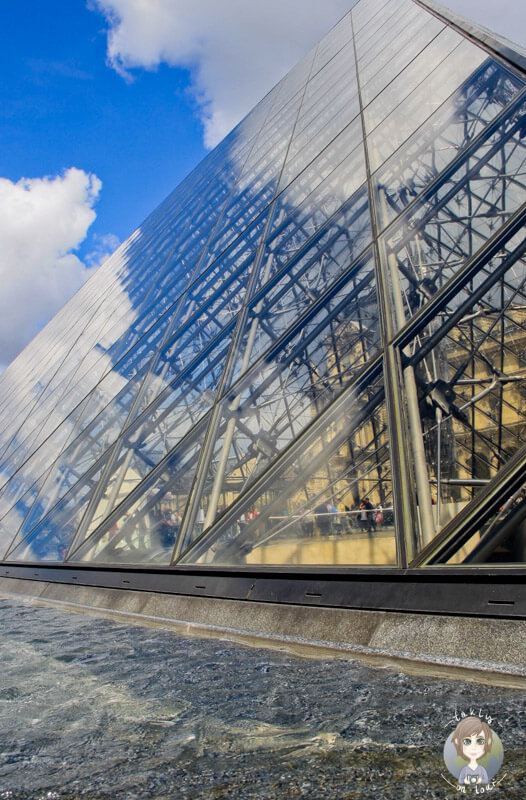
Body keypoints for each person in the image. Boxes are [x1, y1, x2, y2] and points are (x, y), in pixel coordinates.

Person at [451, 716, 492, 785]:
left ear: (488, 742)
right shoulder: (465, 770)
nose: (473, 747)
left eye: (480, 741)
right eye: (467, 741)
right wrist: (465, 781)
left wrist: (479, 780)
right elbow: (460, 781)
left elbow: (486, 780)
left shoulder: (481, 769)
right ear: (457, 742)